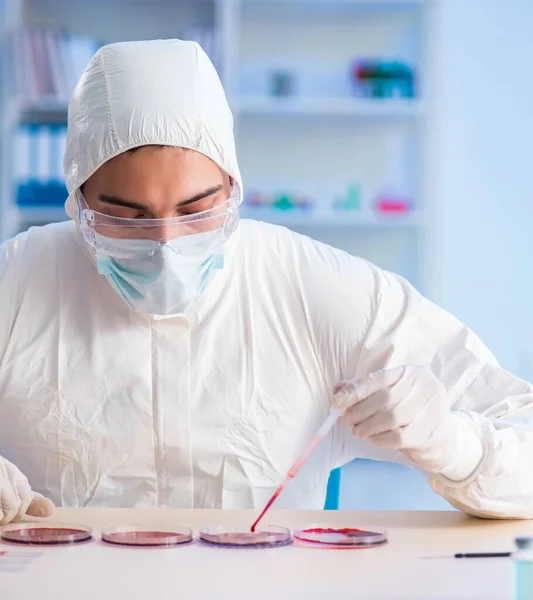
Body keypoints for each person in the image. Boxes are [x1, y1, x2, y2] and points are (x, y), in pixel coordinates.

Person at [0, 39, 532, 526]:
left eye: (197, 209)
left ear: (233, 190)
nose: (165, 248)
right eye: (127, 217)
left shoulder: (312, 289)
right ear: (78, 203)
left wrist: (457, 445)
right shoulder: (17, 283)